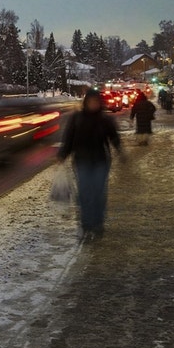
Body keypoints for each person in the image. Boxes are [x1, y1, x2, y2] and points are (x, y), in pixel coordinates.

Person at [57, 89, 122, 242]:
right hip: (82, 161)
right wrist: (63, 154)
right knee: (84, 194)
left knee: (98, 194)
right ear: (86, 102)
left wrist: (120, 150)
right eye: (91, 101)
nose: (93, 104)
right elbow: (69, 138)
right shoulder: (76, 118)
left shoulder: (105, 119)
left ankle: (98, 224)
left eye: (96, 101)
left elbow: (114, 137)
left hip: (101, 161)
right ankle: (86, 225)